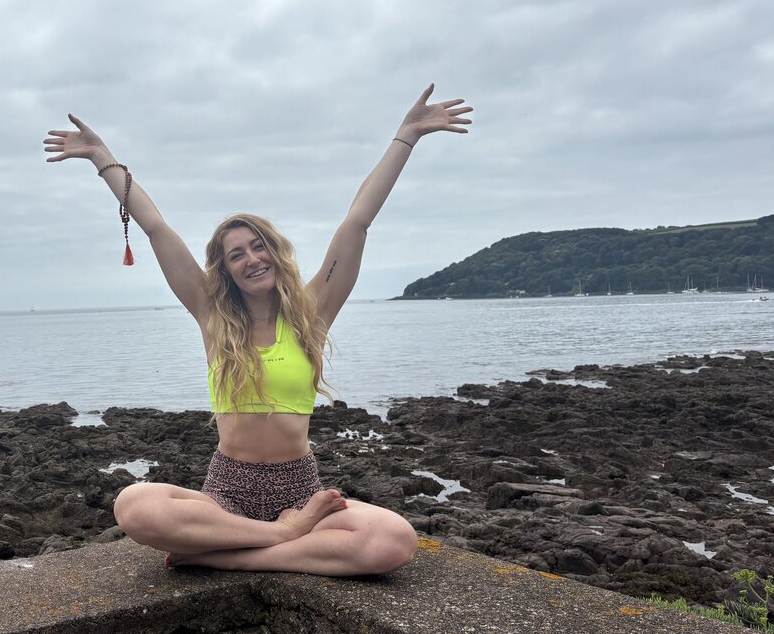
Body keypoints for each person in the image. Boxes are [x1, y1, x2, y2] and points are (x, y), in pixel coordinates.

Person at [44, 85, 472, 575]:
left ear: (275, 251)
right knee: (134, 504)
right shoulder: (211, 315)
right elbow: (157, 229)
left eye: (258, 246)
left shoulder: (312, 312)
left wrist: (407, 136)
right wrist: (104, 158)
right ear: (224, 269)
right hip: (226, 491)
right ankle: (279, 539)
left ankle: (231, 558)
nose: (252, 259)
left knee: (393, 542)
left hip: (300, 491)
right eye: (237, 254)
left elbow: (357, 221)